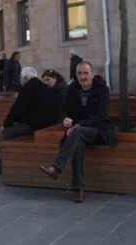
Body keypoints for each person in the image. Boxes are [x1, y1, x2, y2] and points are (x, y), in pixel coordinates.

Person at [39, 61, 115, 203]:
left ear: (92, 74)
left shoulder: (102, 89)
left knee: (77, 132)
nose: (82, 76)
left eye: (86, 73)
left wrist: (78, 125)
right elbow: (64, 110)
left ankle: (56, 168)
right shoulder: (72, 89)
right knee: (78, 144)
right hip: (78, 133)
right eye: (79, 73)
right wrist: (66, 120)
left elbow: (101, 116)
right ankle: (78, 189)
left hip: (99, 131)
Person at [0, 67, 60, 174]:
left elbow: (17, 109)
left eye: (21, 78)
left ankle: (2, 166)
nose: (20, 81)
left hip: (36, 126)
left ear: (26, 78)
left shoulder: (27, 88)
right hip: (48, 125)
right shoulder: (43, 87)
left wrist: (5, 124)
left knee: (6, 133)